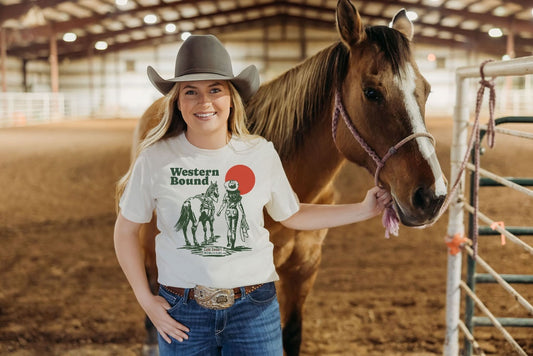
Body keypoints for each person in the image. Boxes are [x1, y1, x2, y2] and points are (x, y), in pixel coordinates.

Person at [113, 34, 392, 356]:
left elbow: (291, 214)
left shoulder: (259, 153)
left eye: (215, 90)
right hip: (184, 309)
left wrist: (363, 209)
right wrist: (145, 299)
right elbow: (126, 229)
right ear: (177, 101)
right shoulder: (155, 158)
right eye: (191, 92)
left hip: (253, 309)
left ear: (231, 98)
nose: (204, 102)